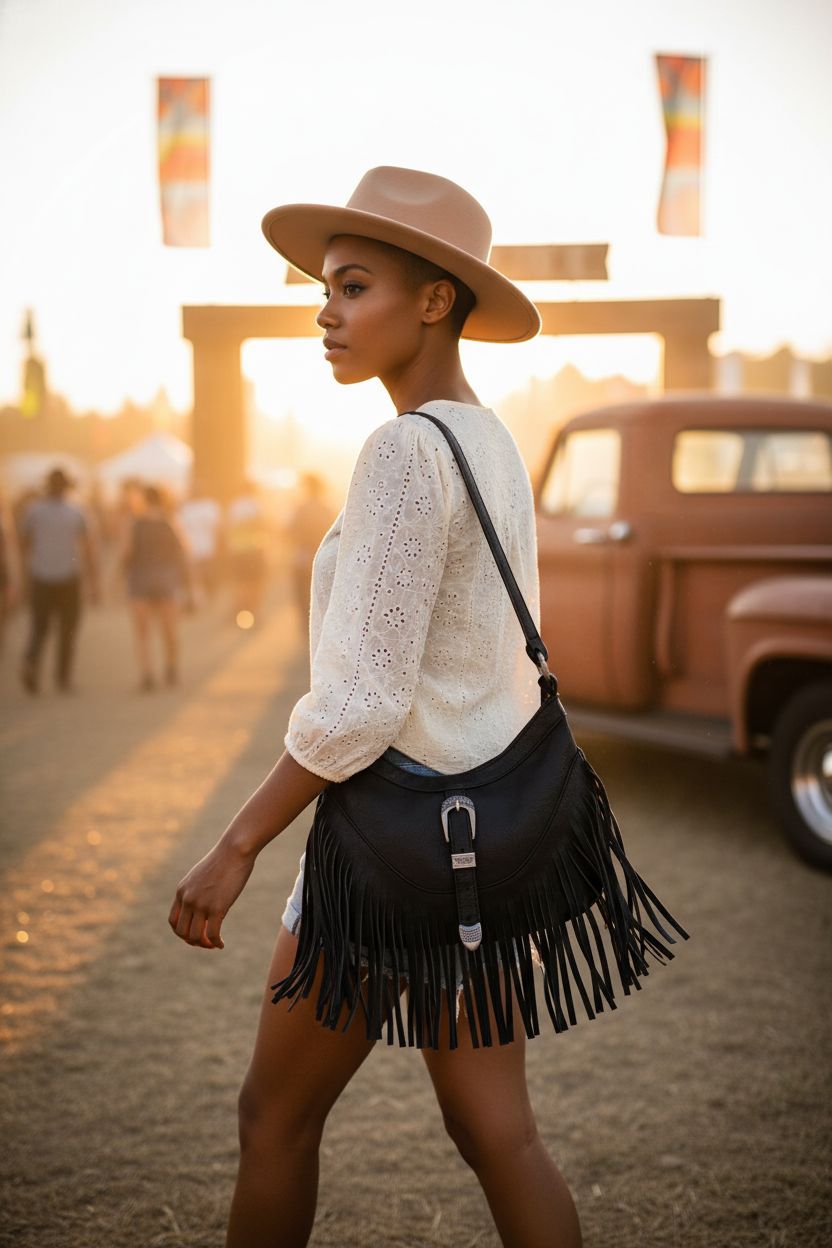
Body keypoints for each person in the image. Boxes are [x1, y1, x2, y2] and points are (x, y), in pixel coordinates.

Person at [169, 167, 582, 1248]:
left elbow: (360, 702)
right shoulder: (489, 440)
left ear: (435, 299)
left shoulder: (404, 452)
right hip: (487, 847)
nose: (325, 312)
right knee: (503, 1137)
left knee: (274, 1117)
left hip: (390, 855)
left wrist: (238, 841)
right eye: (323, 288)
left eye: (353, 287)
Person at [19, 466, 99, 694]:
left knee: (39, 628)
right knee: (68, 629)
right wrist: (95, 583)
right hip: (69, 577)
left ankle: (31, 661)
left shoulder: (33, 511)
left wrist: (25, 576)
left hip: (41, 576)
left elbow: (24, 544)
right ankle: (63, 678)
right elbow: (89, 549)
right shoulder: (76, 512)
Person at [122, 483, 191, 691]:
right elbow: (183, 551)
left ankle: (147, 673)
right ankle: (171, 667)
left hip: (141, 579)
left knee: (143, 632)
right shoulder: (171, 521)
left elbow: (126, 552)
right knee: (169, 629)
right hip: (166, 579)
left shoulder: (135, 523)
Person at [284, 472, 335, 626]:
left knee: (302, 596)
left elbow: (288, 530)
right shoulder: (327, 509)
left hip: (302, 558)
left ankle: (305, 625)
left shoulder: (300, 509)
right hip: (322, 559)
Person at [225, 481, 268, 625]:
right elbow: (263, 525)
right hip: (254, 548)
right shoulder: (255, 505)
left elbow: (228, 527)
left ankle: (241, 612)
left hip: (237, 549)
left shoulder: (234, 505)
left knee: (240, 582)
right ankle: (255, 611)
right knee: (255, 582)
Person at [178, 479, 223, 603]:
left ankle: (210, 598)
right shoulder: (185, 508)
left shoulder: (210, 506)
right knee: (194, 577)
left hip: (208, 548)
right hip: (192, 549)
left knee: (208, 576)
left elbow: (217, 529)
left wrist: (218, 548)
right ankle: (198, 601)